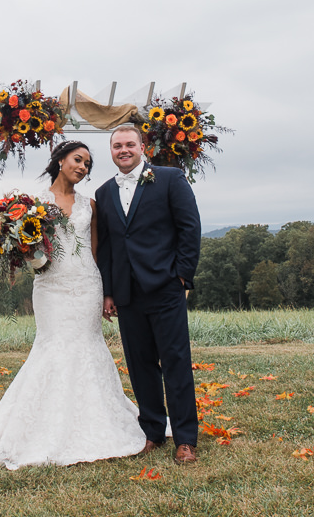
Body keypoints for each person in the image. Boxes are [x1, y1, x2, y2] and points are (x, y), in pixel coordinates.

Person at [0, 141, 146, 468]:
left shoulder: (91, 204)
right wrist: (30, 257)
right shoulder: (32, 204)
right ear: (60, 160)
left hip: (87, 283)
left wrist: (107, 292)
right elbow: (22, 249)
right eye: (78, 159)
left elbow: (97, 249)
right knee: (53, 346)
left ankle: (91, 418)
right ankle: (41, 421)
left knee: (88, 345)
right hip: (50, 285)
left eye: (88, 163)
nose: (83, 167)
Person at [96, 125, 202, 465]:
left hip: (165, 287)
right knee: (140, 367)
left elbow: (190, 227)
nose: (123, 150)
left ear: (143, 147)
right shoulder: (103, 192)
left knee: (176, 364)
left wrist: (182, 277)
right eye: (117, 146)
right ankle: (153, 432)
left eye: (129, 144)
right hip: (127, 294)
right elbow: (110, 245)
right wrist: (109, 291)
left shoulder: (170, 178)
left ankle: (185, 440)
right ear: (111, 151)